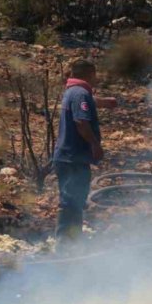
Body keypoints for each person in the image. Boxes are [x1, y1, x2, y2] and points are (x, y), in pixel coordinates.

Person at [51, 59, 117, 240]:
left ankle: (71, 240)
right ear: (90, 74)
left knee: (72, 200)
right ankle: (67, 245)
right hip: (74, 158)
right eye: (95, 75)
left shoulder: (72, 91)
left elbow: (84, 102)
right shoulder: (81, 93)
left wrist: (102, 102)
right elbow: (81, 121)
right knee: (72, 202)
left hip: (67, 157)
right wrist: (95, 145)